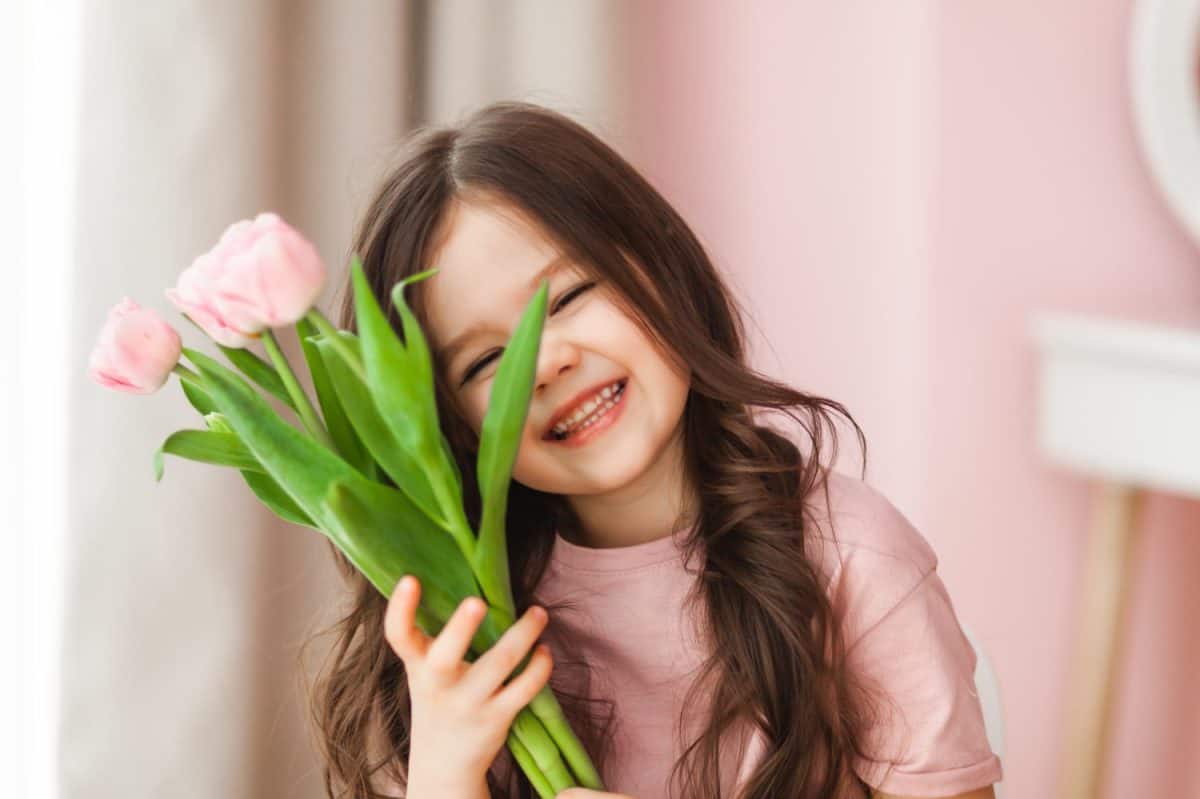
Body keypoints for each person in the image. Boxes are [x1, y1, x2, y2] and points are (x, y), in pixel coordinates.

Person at [302, 101, 1004, 799]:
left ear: (661, 267)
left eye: (570, 295)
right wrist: (444, 776)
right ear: (447, 428)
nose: (543, 364)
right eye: (486, 362)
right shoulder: (466, 626)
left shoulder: (853, 559)